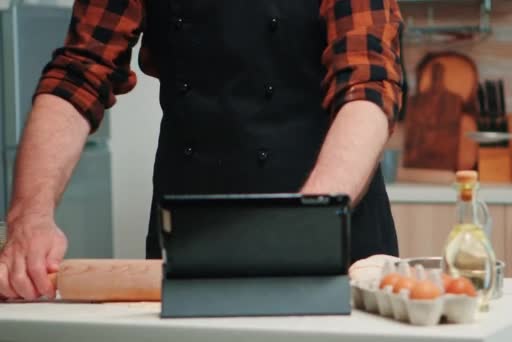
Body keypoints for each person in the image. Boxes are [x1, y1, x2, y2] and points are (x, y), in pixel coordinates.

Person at [0, 0, 405, 300]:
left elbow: (368, 86)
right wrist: (29, 217)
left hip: (332, 234)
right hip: (191, 234)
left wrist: (306, 220)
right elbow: (80, 73)